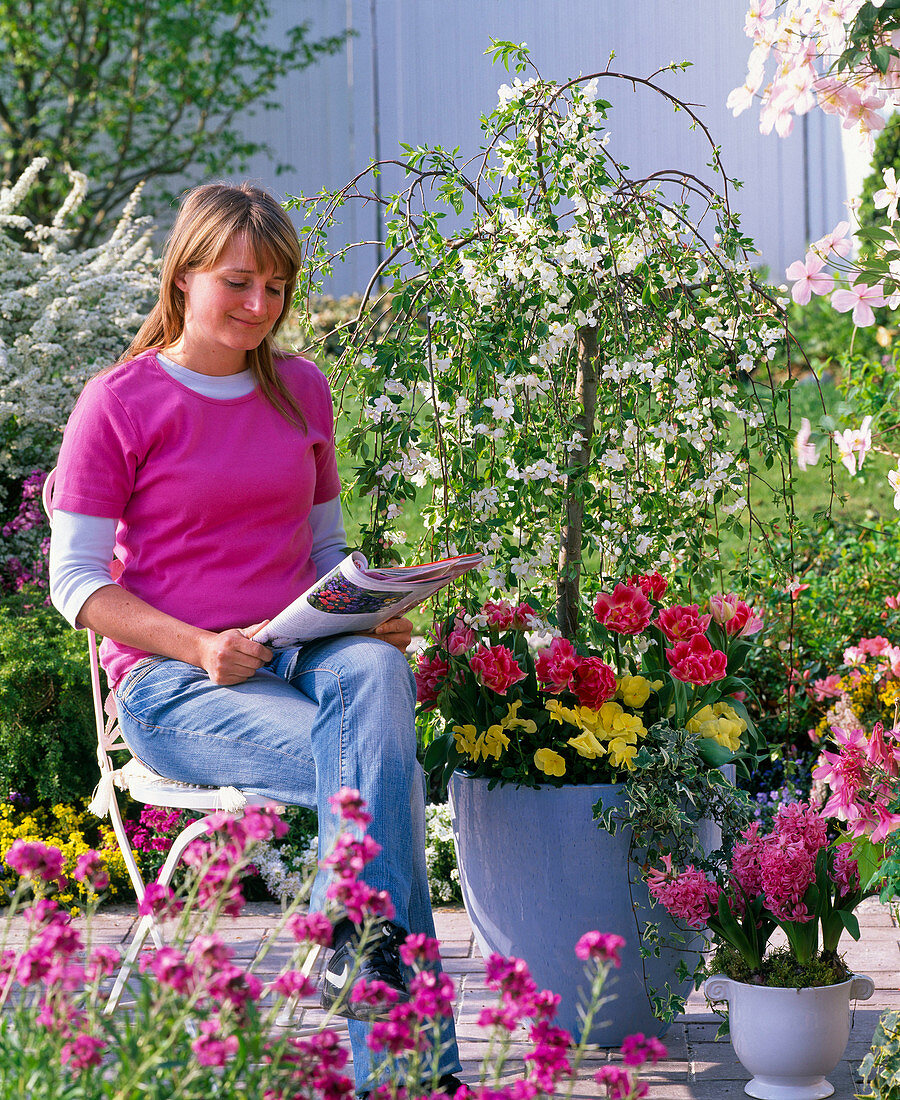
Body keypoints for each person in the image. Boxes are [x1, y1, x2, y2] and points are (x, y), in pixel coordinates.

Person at [48, 181, 463, 1096]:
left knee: (378, 675)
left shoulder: (301, 389)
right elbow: (75, 584)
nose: (259, 306)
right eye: (239, 282)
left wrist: (367, 607)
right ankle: (411, 1068)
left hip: (303, 652)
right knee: (370, 759)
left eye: (276, 288)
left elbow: (323, 548)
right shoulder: (118, 403)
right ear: (184, 275)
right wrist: (197, 644)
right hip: (176, 683)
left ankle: (351, 950)